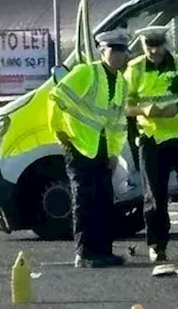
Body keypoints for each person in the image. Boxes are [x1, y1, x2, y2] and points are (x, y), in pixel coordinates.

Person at [48, 29, 130, 268]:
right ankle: (84, 253)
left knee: (104, 200)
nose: (117, 55)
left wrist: (114, 153)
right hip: (79, 146)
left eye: (121, 51)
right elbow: (56, 98)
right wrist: (60, 133)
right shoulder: (88, 72)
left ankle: (104, 251)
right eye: (112, 50)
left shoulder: (122, 83)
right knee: (84, 200)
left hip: (102, 151)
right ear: (102, 51)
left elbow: (117, 123)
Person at [125, 25, 178, 262]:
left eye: (158, 45)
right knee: (155, 197)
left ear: (166, 43)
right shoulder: (135, 69)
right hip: (152, 139)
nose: (153, 51)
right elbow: (124, 105)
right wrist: (143, 109)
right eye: (149, 46)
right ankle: (157, 246)